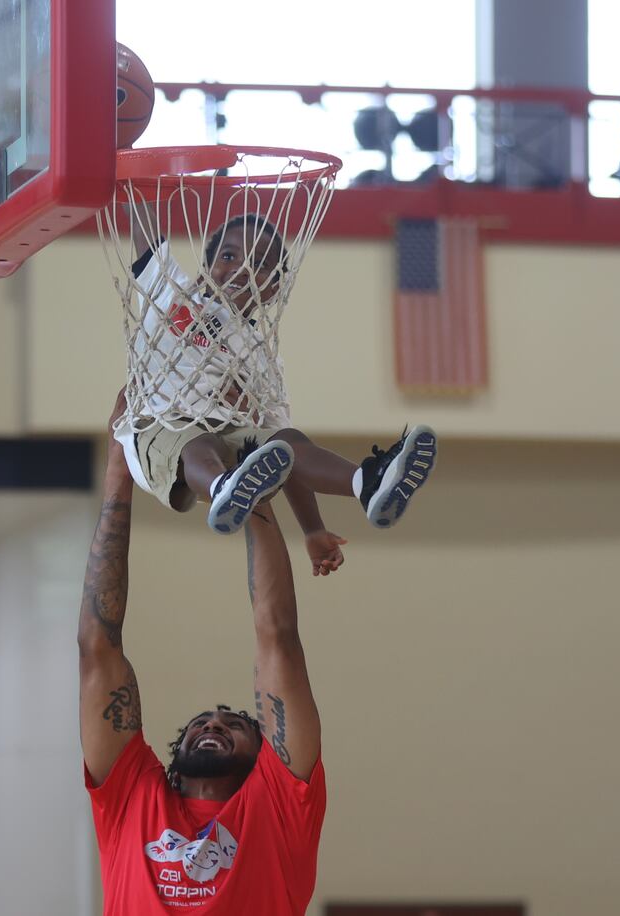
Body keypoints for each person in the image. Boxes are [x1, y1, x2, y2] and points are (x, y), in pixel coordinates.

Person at [80, 395, 325, 913]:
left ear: (266, 758)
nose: (212, 724)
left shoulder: (278, 806)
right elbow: (98, 648)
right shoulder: (133, 798)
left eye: (233, 723)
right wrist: (119, 475)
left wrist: (254, 493)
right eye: (205, 723)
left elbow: (277, 637)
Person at [118, 205, 438, 553]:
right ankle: (221, 487)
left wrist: (313, 530)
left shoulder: (263, 358)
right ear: (205, 269)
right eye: (229, 255)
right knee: (199, 443)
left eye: (259, 264)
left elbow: (285, 454)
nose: (242, 267)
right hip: (161, 425)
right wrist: (127, 171)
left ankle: (368, 482)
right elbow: (146, 230)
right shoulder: (171, 293)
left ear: (273, 288)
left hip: (233, 444)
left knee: (288, 436)